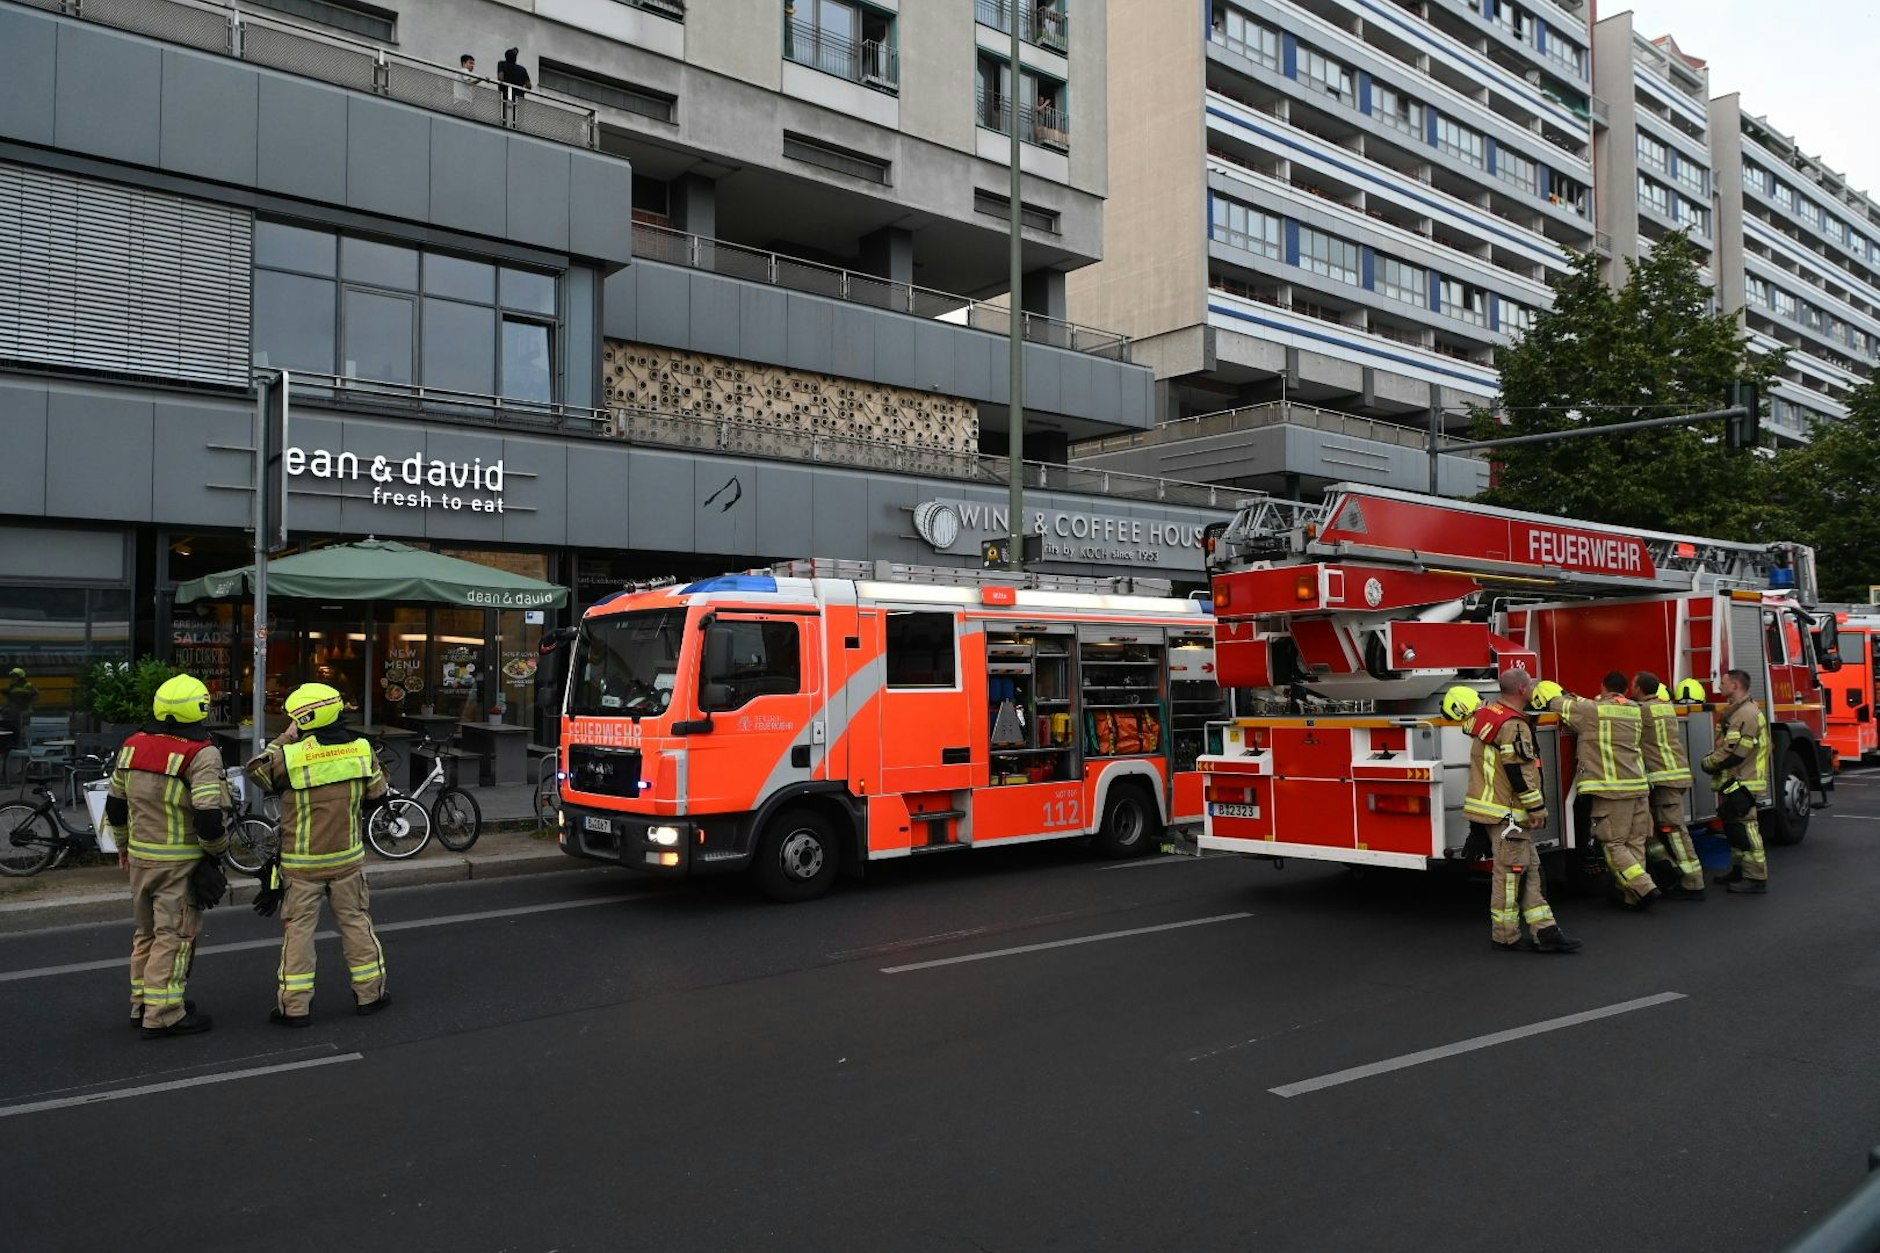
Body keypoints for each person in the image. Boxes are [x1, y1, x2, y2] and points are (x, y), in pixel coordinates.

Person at [246, 683, 391, 1025]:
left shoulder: (290, 756)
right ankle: (371, 994)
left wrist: (285, 738)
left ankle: (294, 1008)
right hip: (347, 858)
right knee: (357, 923)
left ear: (303, 719)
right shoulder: (361, 749)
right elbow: (378, 794)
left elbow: (256, 770)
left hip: (302, 864)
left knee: (298, 932)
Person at [106, 674, 230, 1038]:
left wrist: (123, 845)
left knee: (145, 934)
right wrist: (217, 852)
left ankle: (141, 1003)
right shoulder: (201, 753)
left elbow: (115, 804)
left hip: (141, 857)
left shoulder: (133, 744)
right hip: (179, 861)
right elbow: (208, 816)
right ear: (201, 708)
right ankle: (163, 1014)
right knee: (174, 936)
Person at [1451, 674, 1581, 954]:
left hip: (1493, 809)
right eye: (1531, 685)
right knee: (1511, 875)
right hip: (1509, 812)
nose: (1534, 689)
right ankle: (1505, 935)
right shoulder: (1514, 724)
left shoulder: (1487, 714)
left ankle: (1545, 931)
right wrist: (1536, 807)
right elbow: (1519, 771)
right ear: (1522, 689)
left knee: (1530, 870)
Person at [1534, 670, 1659, 910]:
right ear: (1624, 690)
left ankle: (1644, 887)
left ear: (1603, 686)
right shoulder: (1635, 709)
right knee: (1634, 843)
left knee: (1613, 844)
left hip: (1611, 790)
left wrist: (1555, 694)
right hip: (1639, 787)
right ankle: (1630, 896)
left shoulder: (1594, 712)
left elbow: (1557, 703)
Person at [1634, 672, 1706, 900]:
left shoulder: (1643, 711)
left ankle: (1693, 882)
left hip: (1663, 778)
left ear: (1639, 688)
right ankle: (1671, 870)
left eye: (1634, 685)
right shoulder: (1666, 708)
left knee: (1675, 831)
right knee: (1659, 829)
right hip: (1673, 776)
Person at [1701, 668, 1770, 895]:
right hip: (1736, 780)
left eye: (1724, 682)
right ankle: (1740, 871)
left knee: (1747, 828)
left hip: (1744, 781)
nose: (1720, 686)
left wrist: (1709, 763)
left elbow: (1737, 752)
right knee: (1735, 828)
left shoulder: (1746, 714)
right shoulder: (1737, 712)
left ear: (1736, 685)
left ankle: (1755, 877)